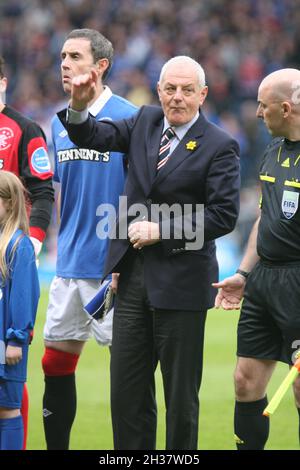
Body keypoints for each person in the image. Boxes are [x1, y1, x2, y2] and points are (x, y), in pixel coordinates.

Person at [60, 55, 240, 450]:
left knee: (180, 399)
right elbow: (93, 137)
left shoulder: (220, 145)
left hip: (182, 285)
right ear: (159, 91)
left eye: (187, 90)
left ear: (203, 95)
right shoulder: (143, 121)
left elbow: (224, 216)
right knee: (126, 395)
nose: (177, 97)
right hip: (132, 280)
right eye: (170, 89)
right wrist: (77, 105)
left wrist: (163, 231)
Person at [41, 28, 137, 450]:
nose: (65, 63)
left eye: (75, 57)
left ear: (100, 66)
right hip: (70, 264)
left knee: (127, 375)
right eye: (62, 56)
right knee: (54, 364)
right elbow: (59, 189)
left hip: (115, 270)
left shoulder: (131, 117)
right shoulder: (59, 123)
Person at [213, 68, 300, 450]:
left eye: (263, 106)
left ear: (285, 107)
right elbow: (265, 218)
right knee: (245, 381)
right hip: (264, 280)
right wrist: (244, 272)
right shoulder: (273, 150)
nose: (258, 113)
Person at [0, 56, 54, 449]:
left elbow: (42, 190)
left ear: (3, 82)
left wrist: (31, 243)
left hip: (7, 255)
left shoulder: (24, 129)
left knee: (8, 371)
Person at [0, 171, 40, 450]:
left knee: (8, 409)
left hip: (7, 346)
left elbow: (24, 298)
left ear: (9, 203)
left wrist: (16, 339)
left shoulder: (19, 245)